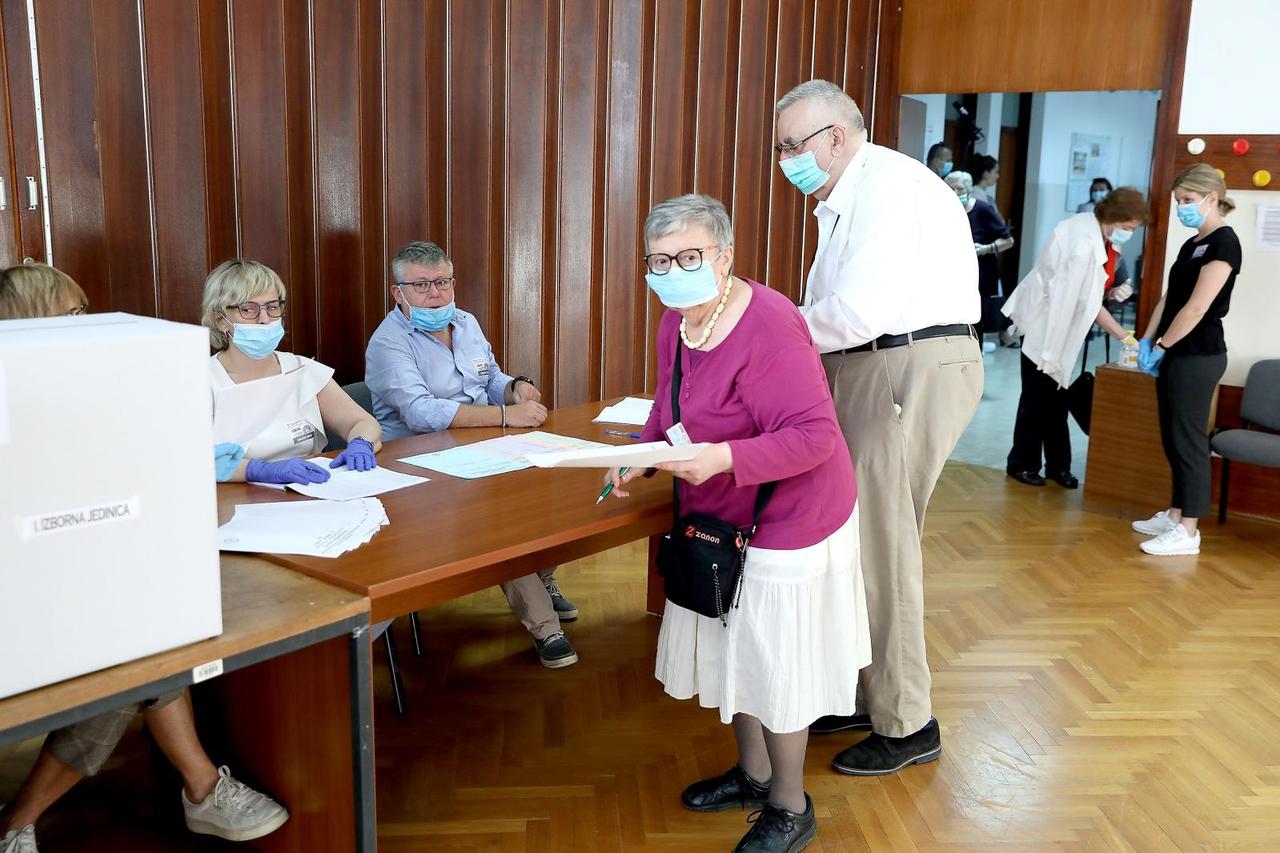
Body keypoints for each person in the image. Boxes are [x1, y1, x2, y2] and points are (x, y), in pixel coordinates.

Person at [605, 194, 869, 852]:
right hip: (724, 506)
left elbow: (814, 436)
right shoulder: (680, 319)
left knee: (774, 660)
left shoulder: (771, 324)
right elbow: (670, 404)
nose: (672, 270)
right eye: (659, 260)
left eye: (689, 256)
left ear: (724, 257)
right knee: (735, 646)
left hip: (793, 511)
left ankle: (790, 803)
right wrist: (639, 455)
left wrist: (722, 456)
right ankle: (753, 776)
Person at [0, 264, 289, 853]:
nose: (90, 325)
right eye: (75, 316)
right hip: (24, 602)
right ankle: (198, 790)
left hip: (76, 583)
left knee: (143, 644)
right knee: (136, 661)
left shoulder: (89, 392)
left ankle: (200, 789)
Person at [773, 79, 982, 775]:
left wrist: (765, 329)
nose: (785, 161)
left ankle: (906, 721)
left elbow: (858, 310)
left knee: (883, 546)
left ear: (835, 135)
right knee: (857, 545)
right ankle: (870, 692)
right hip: (879, 364)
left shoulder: (887, 187)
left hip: (904, 363)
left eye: (791, 146)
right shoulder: (849, 194)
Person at [365, 241, 580, 668]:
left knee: (552, 493)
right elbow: (422, 414)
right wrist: (506, 414)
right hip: (416, 467)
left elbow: (488, 375)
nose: (435, 294)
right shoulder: (388, 343)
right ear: (397, 292)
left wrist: (514, 385)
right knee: (501, 521)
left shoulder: (465, 322)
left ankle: (544, 578)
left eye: (442, 282)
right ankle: (544, 626)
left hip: (481, 445)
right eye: (422, 286)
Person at [1002, 188, 1149, 489]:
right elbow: (1086, 303)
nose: (1129, 235)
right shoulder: (1082, 242)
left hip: (1061, 329)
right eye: (1129, 228)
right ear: (1115, 218)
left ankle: (1058, 466)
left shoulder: (1098, 235)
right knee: (1036, 400)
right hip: (1044, 328)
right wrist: (1125, 336)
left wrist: (1112, 292)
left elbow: (1092, 294)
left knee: (1056, 399)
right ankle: (1022, 463)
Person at [1132, 165, 1241, 557]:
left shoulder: (1225, 244)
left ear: (1212, 199)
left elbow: (1196, 308)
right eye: (1179, 202)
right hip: (1175, 351)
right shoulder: (1193, 243)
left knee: (1190, 441)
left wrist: (1161, 347)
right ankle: (1176, 513)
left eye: (1187, 202)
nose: (1181, 209)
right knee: (1172, 437)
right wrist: (1146, 338)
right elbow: (1170, 297)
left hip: (1199, 355)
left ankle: (1189, 532)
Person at [204, 259, 383, 486]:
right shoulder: (201, 380)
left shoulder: (302, 370)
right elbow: (191, 459)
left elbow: (363, 423)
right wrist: (259, 470)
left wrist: (361, 443)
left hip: (310, 490)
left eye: (272, 307)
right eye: (248, 309)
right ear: (221, 320)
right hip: (236, 501)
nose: (264, 319)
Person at [945, 170, 1014, 352]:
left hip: (980, 275)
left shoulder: (982, 209)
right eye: (950, 188)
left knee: (976, 321)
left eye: (959, 189)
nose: (955, 193)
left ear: (968, 190)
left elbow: (1008, 240)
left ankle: (976, 354)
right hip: (953, 274)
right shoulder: (945, 209)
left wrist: (985, 249)